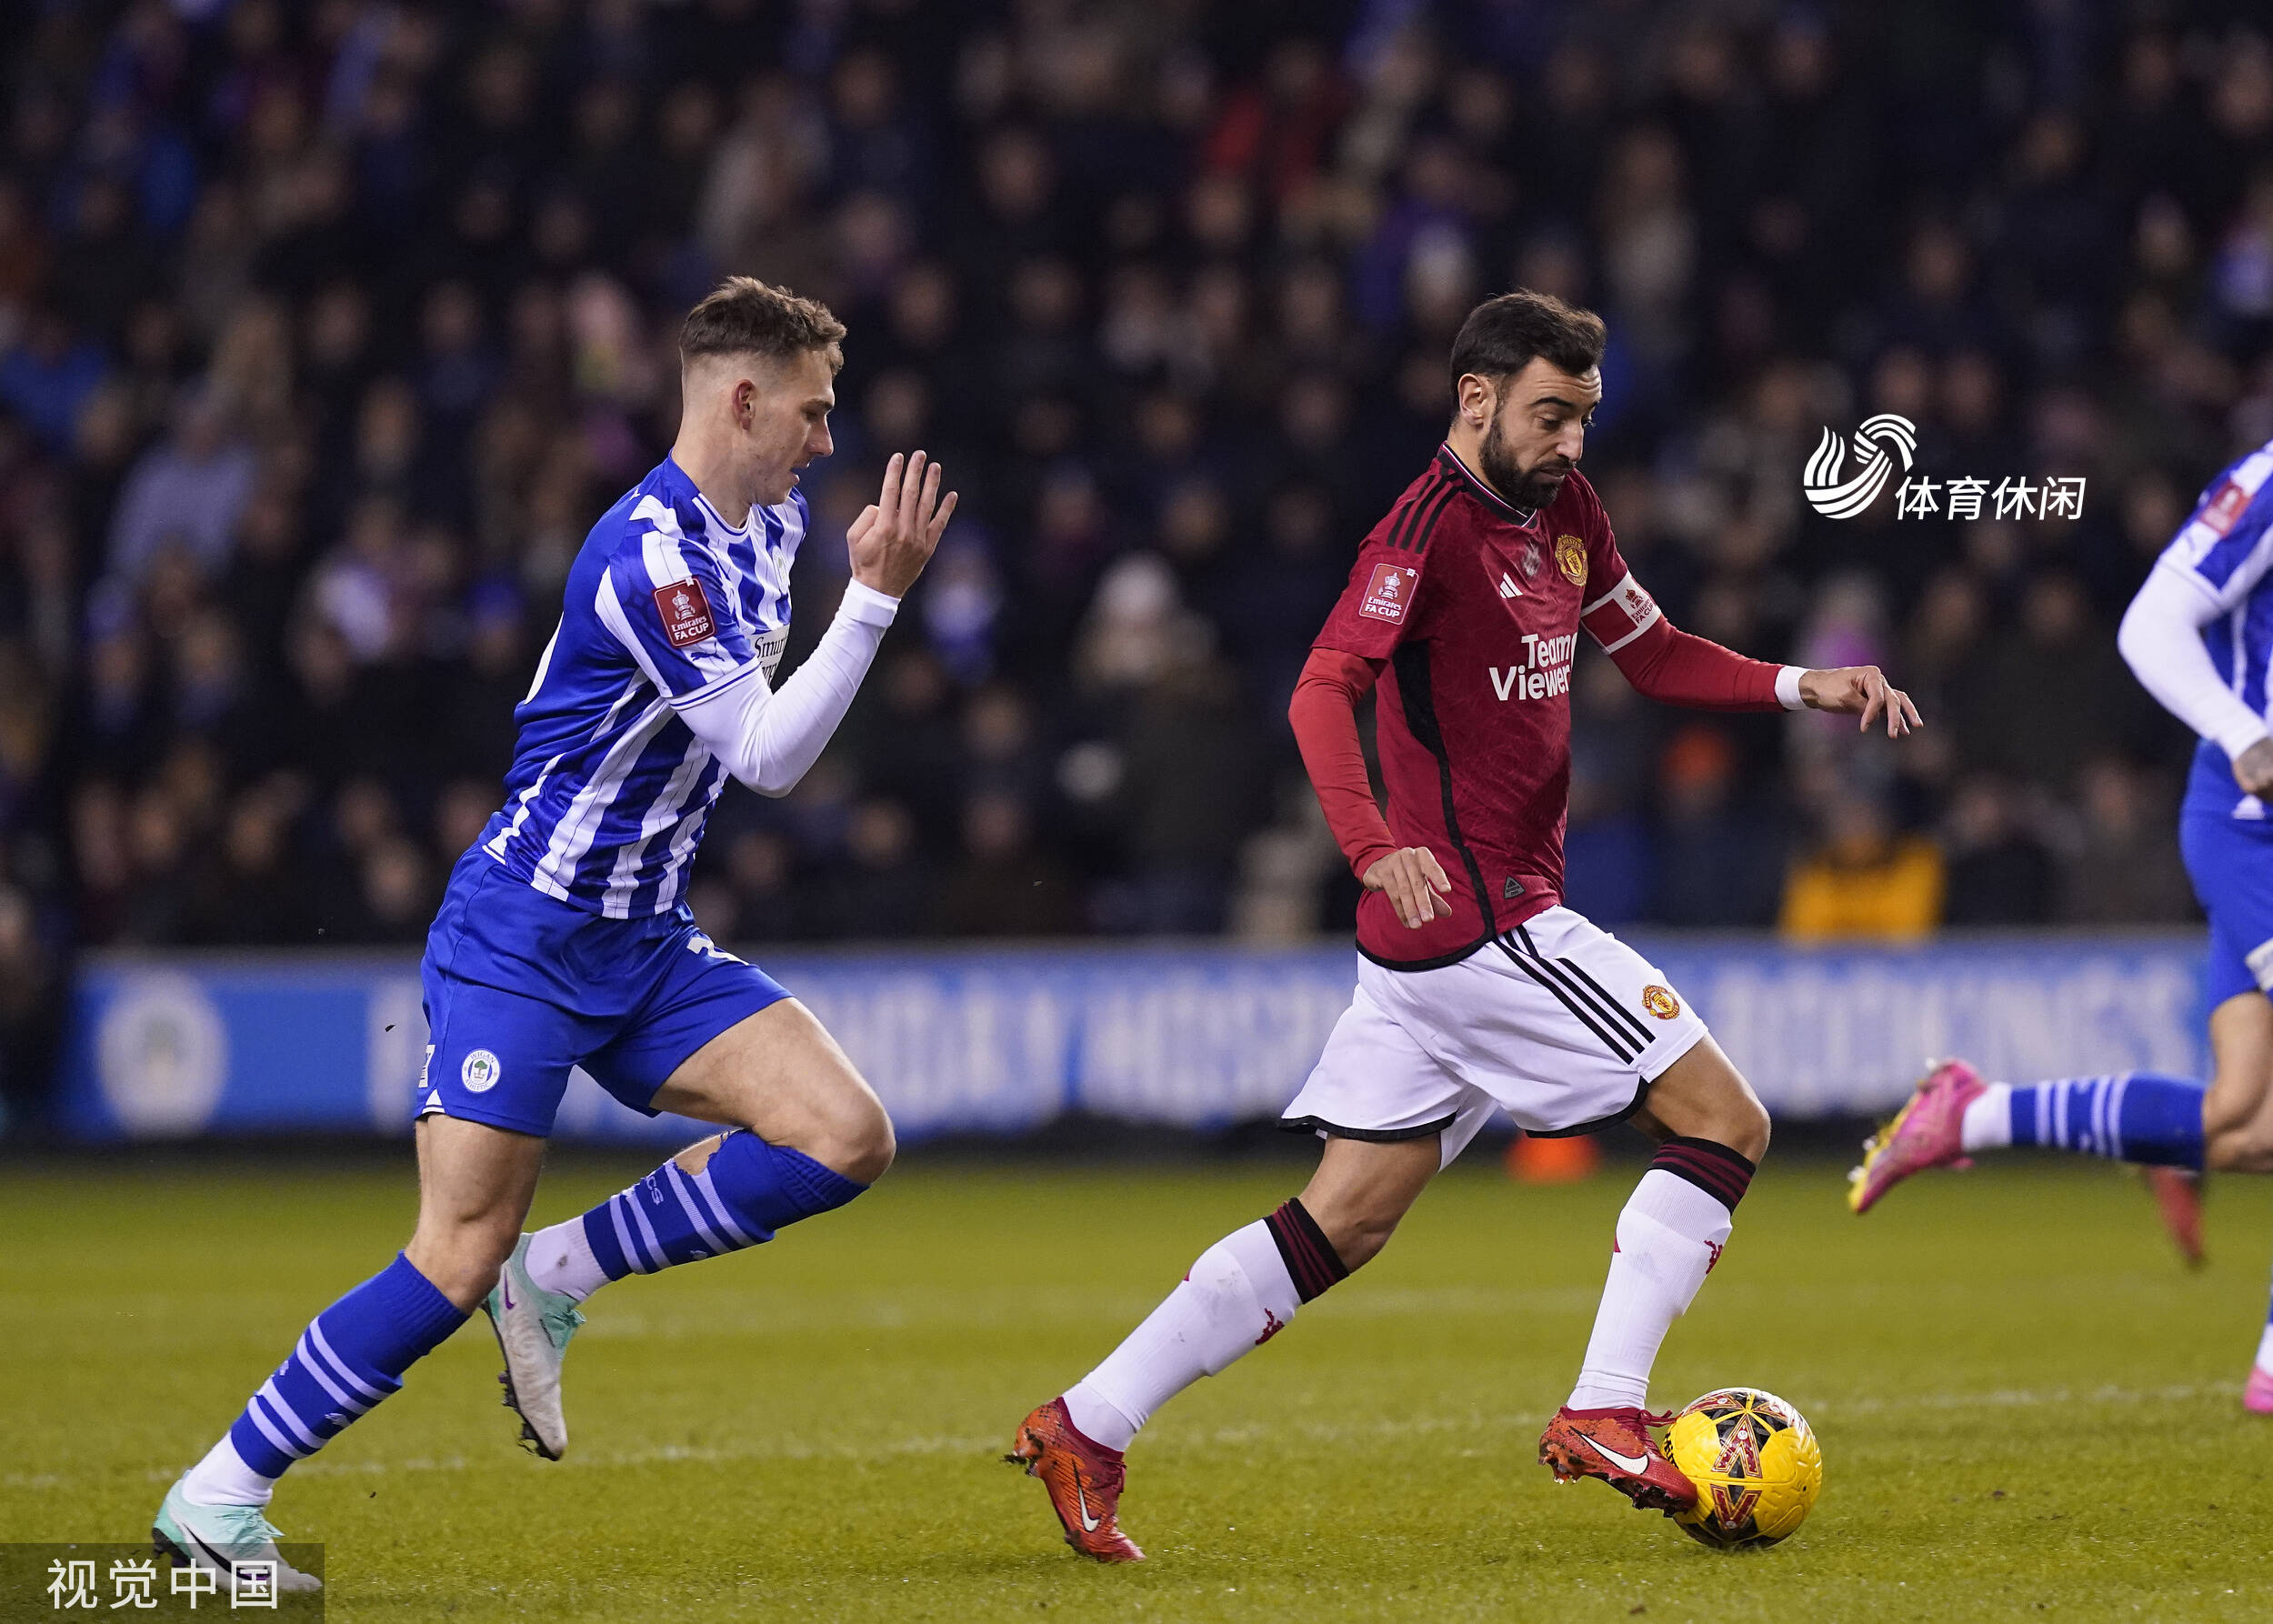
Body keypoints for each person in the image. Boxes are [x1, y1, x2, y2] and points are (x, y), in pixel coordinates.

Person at [1006, 290, 1920, 1562]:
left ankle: (1086, 1421)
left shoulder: (1568, 511)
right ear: (1475, 398)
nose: (1570, 442)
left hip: (1439, 951)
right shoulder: (1422, 532)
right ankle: (1606, 1408)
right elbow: (1321, 688)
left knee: (1343, 1218)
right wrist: (1372, 846)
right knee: (1727, 1120)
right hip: (1482, 920)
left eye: (1584, 418)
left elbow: (1652, 653)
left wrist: (1802, 684)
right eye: (1549, 415)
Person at [150, 277, 957, 1591]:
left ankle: (560, 1272)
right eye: (811, 412)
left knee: (844, 1134)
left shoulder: (774, 522)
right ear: (740, 401)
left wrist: (856, 592)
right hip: (524, 933)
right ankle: (217, 1495)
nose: (825, 439)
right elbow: (762, 755)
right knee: (456, 1249)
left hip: (642, 939)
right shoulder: (651, 554)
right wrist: (872, 602)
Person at [1849, 433, 2273, 1410]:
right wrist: (2243, 732)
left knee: (2241, 1122)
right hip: (2254, 828)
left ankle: (1972, 1114)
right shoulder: (2265, 486)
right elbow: (2153, 624)